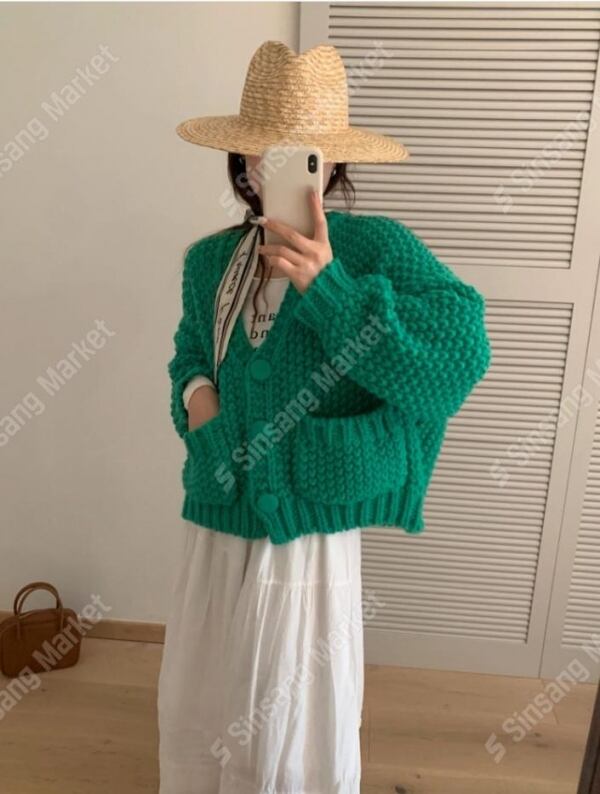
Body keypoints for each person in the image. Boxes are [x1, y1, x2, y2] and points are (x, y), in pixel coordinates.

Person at [157, 40, 492, 794]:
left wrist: (331, 289)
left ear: (331, 163)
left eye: (299, 154)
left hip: (307, 533)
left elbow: (457, 355)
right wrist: (200, 406)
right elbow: (189, 357)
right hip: (218, 517)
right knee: (203, 699)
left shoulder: (375, 248)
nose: (271, 168)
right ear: (242, 160)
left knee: (289, 713)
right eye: (260, 152)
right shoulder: (210, 261)